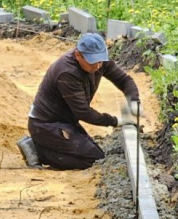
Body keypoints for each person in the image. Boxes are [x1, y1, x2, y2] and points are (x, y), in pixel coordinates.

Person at [18, 33, 141, 170]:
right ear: (78, 55)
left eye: (100, 61)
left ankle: (43, 147)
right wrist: (115, 121)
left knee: (96, 155)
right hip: (45, 125)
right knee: (93, 160)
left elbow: (125, 81)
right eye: (92, 62)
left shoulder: (99, 62)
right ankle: (37, 150)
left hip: (67, 122)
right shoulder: (67, 72)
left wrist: (133, 103)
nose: (98, 66)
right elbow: (83, 112)